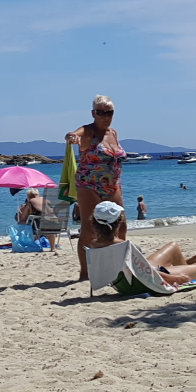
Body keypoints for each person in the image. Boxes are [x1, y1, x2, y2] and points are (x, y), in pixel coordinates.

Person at [65, 95, 126, 280]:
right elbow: (75, 134)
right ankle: (85, 273)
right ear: (93, 113)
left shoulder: (113, 133)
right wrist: (72, 136)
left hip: (113, 185)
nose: (105, 116)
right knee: (89, 228)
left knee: (121, 225)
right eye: (101, 113)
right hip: (89, 184)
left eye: (109, 113)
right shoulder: (87, 131)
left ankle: (118, 268)